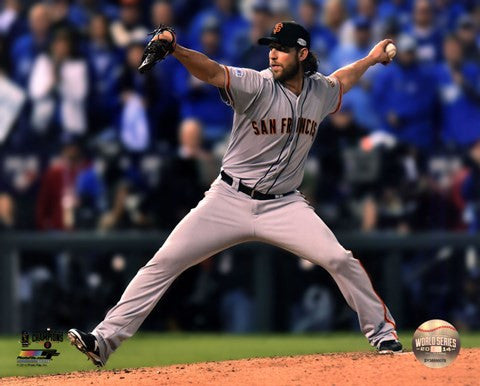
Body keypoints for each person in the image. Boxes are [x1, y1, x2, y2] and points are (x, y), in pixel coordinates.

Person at [68, 21, 402, 367]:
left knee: (339, 259)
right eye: (271, 46)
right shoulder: (256, 84)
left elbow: (343, 79)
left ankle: (383, 333)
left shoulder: (319, 91)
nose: (273, 53)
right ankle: (104, 340)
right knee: (165, 261)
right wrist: (178, 50)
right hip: (229, 198)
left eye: (282, 47)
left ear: (302, 54)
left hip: (284, 204)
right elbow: (213, 72)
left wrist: (371, 58)